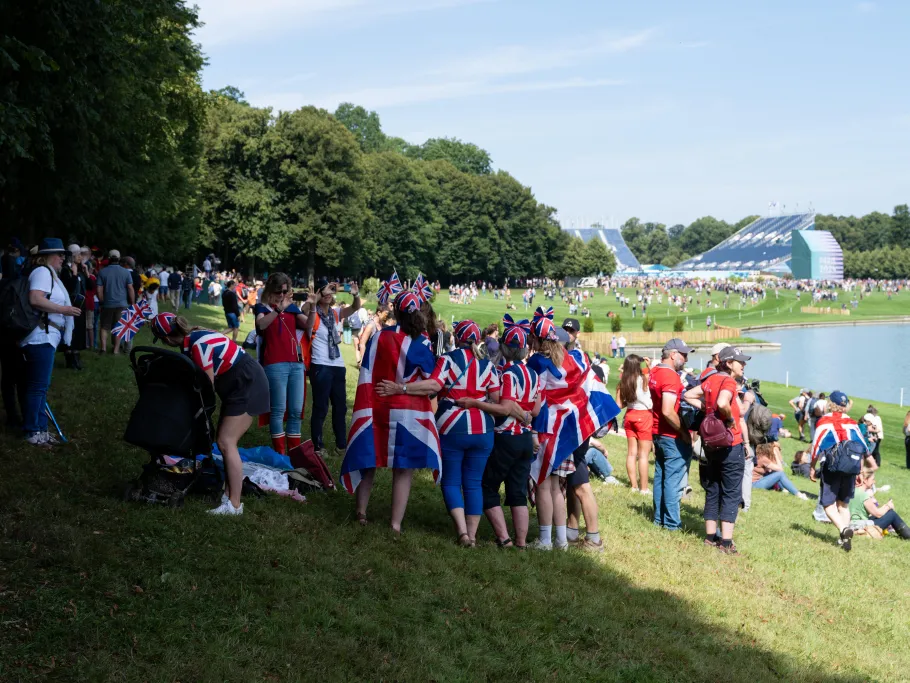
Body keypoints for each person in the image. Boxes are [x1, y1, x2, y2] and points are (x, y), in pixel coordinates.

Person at [340, 291, 444, 534]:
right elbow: (431, 380)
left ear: (395, 311)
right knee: (403, 468)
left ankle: (361, 511)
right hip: (409, 412)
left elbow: (367, 371)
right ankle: (395, 524)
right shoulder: (421, 343)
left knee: (369, 457)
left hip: (378, 406)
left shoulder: (380, 336)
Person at [150, 312, 270, 515]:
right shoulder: (194, 336)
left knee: (226, 442)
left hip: (246, 383)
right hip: (241, 382)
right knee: (224, 442)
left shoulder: (197, 346)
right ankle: (228, 496)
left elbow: (207, 387)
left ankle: (234, 506)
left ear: (167, 339)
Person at [527, 307, 619, 551]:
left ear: (536, 339)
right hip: (571, 430)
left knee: (551, 484)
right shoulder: (575, 359)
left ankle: (552, 539)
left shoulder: (537, 362)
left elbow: (536, 395)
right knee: (560, 486)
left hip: (548, 429)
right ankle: (563, 537)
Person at [478, 316, 540, 548]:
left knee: (487, 486)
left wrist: (477, 404)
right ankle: (521, 542)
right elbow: (535, 410)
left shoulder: (506, 374)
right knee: (517, 491)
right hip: (525, 438)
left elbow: (505, 406)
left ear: (504, 347)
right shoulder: (533, 374)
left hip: (505, 436)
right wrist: (524, 414)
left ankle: (504, 538)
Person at [683, 345, 749, 553]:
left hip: (711, 443)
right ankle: (726, 542)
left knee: (713, 488)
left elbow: (688, 395)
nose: (744, 365)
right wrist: (728, 418)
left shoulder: (711, 379)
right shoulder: (728, 381)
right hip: (730, 443)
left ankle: (710, 537)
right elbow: (722, 402)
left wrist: (707, 410)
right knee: (731, 491)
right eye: (740, 362)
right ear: (729, 363)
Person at [19, 239, 82, 446]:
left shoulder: (49, 273)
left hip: (46, 336)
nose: (63, 258)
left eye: (64, 254)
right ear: (46, 255)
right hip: (40, 337)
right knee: (37, 387)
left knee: (40, 387)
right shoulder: (42, 272)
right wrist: (64, 310)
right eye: (59, 254)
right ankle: (32, 431)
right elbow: (35, 298)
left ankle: (41, 429)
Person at [810, 390, 877, 551]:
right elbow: (863, 447)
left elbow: (816, 445)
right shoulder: (852, 423)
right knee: (844, 505)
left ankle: (843, 529)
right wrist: (860, 469)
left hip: (831, 466)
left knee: (828, 504)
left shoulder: (824, 421)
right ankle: (845, 540)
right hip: (850, 467)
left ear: (830, 404)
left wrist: (812, 466)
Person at [254, 273, 310, 455]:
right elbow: (261, 325)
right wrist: (278, 310)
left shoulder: (292, 308)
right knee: (278, 410)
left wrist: (312, 306)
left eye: (285, 291)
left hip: (296, 364)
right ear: (271, 290)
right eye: (279, 291)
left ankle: (293, 454)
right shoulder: (262, 307)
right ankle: (281, 454)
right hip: (275, 363)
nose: (282, 295)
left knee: (296, 410)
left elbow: (309, 325)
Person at [305, 278, 361, 457]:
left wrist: (355, 295)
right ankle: (318, 446)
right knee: (321, 407)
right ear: (318, 293)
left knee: (340, 407)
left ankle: (341, 446)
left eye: (331, 291)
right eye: (325, 291)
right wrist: (321, 293)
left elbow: (355, 307)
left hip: (337, 365)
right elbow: (305, 310)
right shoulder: (311, 311)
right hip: (320, 364)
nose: (329, 294)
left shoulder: (335, 313)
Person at [649, 338, 694, 531]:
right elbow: (668, 411)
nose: (686, 359)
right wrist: (684, 433)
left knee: (661, 476)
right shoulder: (670, 376)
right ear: (673, 354)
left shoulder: (655, 371)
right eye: (684, 355)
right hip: (671, 435)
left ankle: (659, 519)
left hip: (658, 432)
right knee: (672, 480)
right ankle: (671, 524)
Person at [617, 354, 653, 495]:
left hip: (630, 415)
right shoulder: (644, 379)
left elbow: (619, 405)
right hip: (644, 416)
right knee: (643, 455)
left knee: (631, 453)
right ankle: (644, 488)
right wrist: (650, 366)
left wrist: (629, 402)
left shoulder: (622, 382)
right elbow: (654, 377)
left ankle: (634, 486)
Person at [849, 468, 910, 539]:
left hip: (852, 524)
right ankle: (908, 535)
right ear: (865, 480)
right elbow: (878, 514)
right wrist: (888, 506)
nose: (874, 482)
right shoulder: (863, 495)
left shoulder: (852, 491)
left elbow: (873, 512)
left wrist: (886, 506)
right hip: (861, 526)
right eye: (872, 479)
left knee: (888, 512)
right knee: (892, 514)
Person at [96, 249, 135, 355]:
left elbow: (99, 289)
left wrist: (101, 301)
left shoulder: (102, 272)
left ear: (109, 258)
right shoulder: (126, 272)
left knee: (104, 327)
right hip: (122, 304)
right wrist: (132, 302)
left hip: (107, 303)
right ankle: (116, 350)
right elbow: (130, 288)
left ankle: (103, 349)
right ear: (119, 258)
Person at [59, 244, 89, 371]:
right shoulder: (65, 270)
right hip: (70, 304)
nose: (81, 257)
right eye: (79, 255)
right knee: (71, 330)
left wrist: (86, 272)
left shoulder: (81, 269)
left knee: (79, 331)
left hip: (80, 305)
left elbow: (90, 286)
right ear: (73, 256)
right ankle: (70, 358)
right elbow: (69, 287)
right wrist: (75, 274)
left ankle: (76, 356)